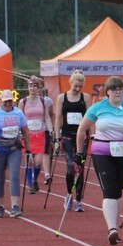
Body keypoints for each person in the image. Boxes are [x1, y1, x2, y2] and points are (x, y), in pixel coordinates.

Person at [75, 76, 123, 245]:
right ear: (108, 92)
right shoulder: (98, 108)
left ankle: (115, 227)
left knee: (118, 190)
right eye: (114, 89)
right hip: (102, 152)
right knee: (110, 189)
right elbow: (82, 130)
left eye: (120, 88)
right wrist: (79, 152)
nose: (118, 91)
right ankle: (111, 229)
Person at [0, 90, 30, 218]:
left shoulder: (18, 113)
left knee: (15, 176)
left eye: (10, 101)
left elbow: (26, 132)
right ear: (1, 101)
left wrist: (28, 149)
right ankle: (0, 206)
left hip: (14, 148)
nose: (8, 104)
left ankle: (15, 206)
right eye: (5, 101)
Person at [54, 71, 92, 212]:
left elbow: (90, 117)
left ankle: (79, 200)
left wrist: (92, 135)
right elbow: (58, 118)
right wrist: (57, 138)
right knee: (71, 167)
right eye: (76, 86)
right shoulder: (61, 98)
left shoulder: (86, 98)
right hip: (68, 136)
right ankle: (69, 194)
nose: (78, 89)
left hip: (82, 136)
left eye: (80, 87)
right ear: (71, 83)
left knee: (80, 169)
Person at [19, 76, 54, 194]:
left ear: (38, 88)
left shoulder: (43, 101)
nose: (32, 88)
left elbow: (47, 117)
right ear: (28, 88)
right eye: (30, 86)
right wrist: (20, 132)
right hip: (28, 135)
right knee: (29, 160)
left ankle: (35, 179)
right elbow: (20, 118)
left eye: (35, 86)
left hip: (40, 134)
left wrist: (51, 130)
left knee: (38, 162)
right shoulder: (23, 102)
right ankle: (30, 184)